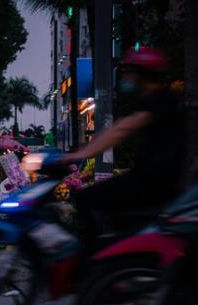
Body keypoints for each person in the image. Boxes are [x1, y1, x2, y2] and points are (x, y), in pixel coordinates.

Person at [63, 46, 184, 241]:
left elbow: (120, 130)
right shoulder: (155, 99)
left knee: (84, 198)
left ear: (142, 74)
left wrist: (79, 154)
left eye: (129, 71)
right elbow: (119, 128)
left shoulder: (160, 101)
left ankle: (92, 261)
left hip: (152, 183)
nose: (125, 76)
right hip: (150, 179)